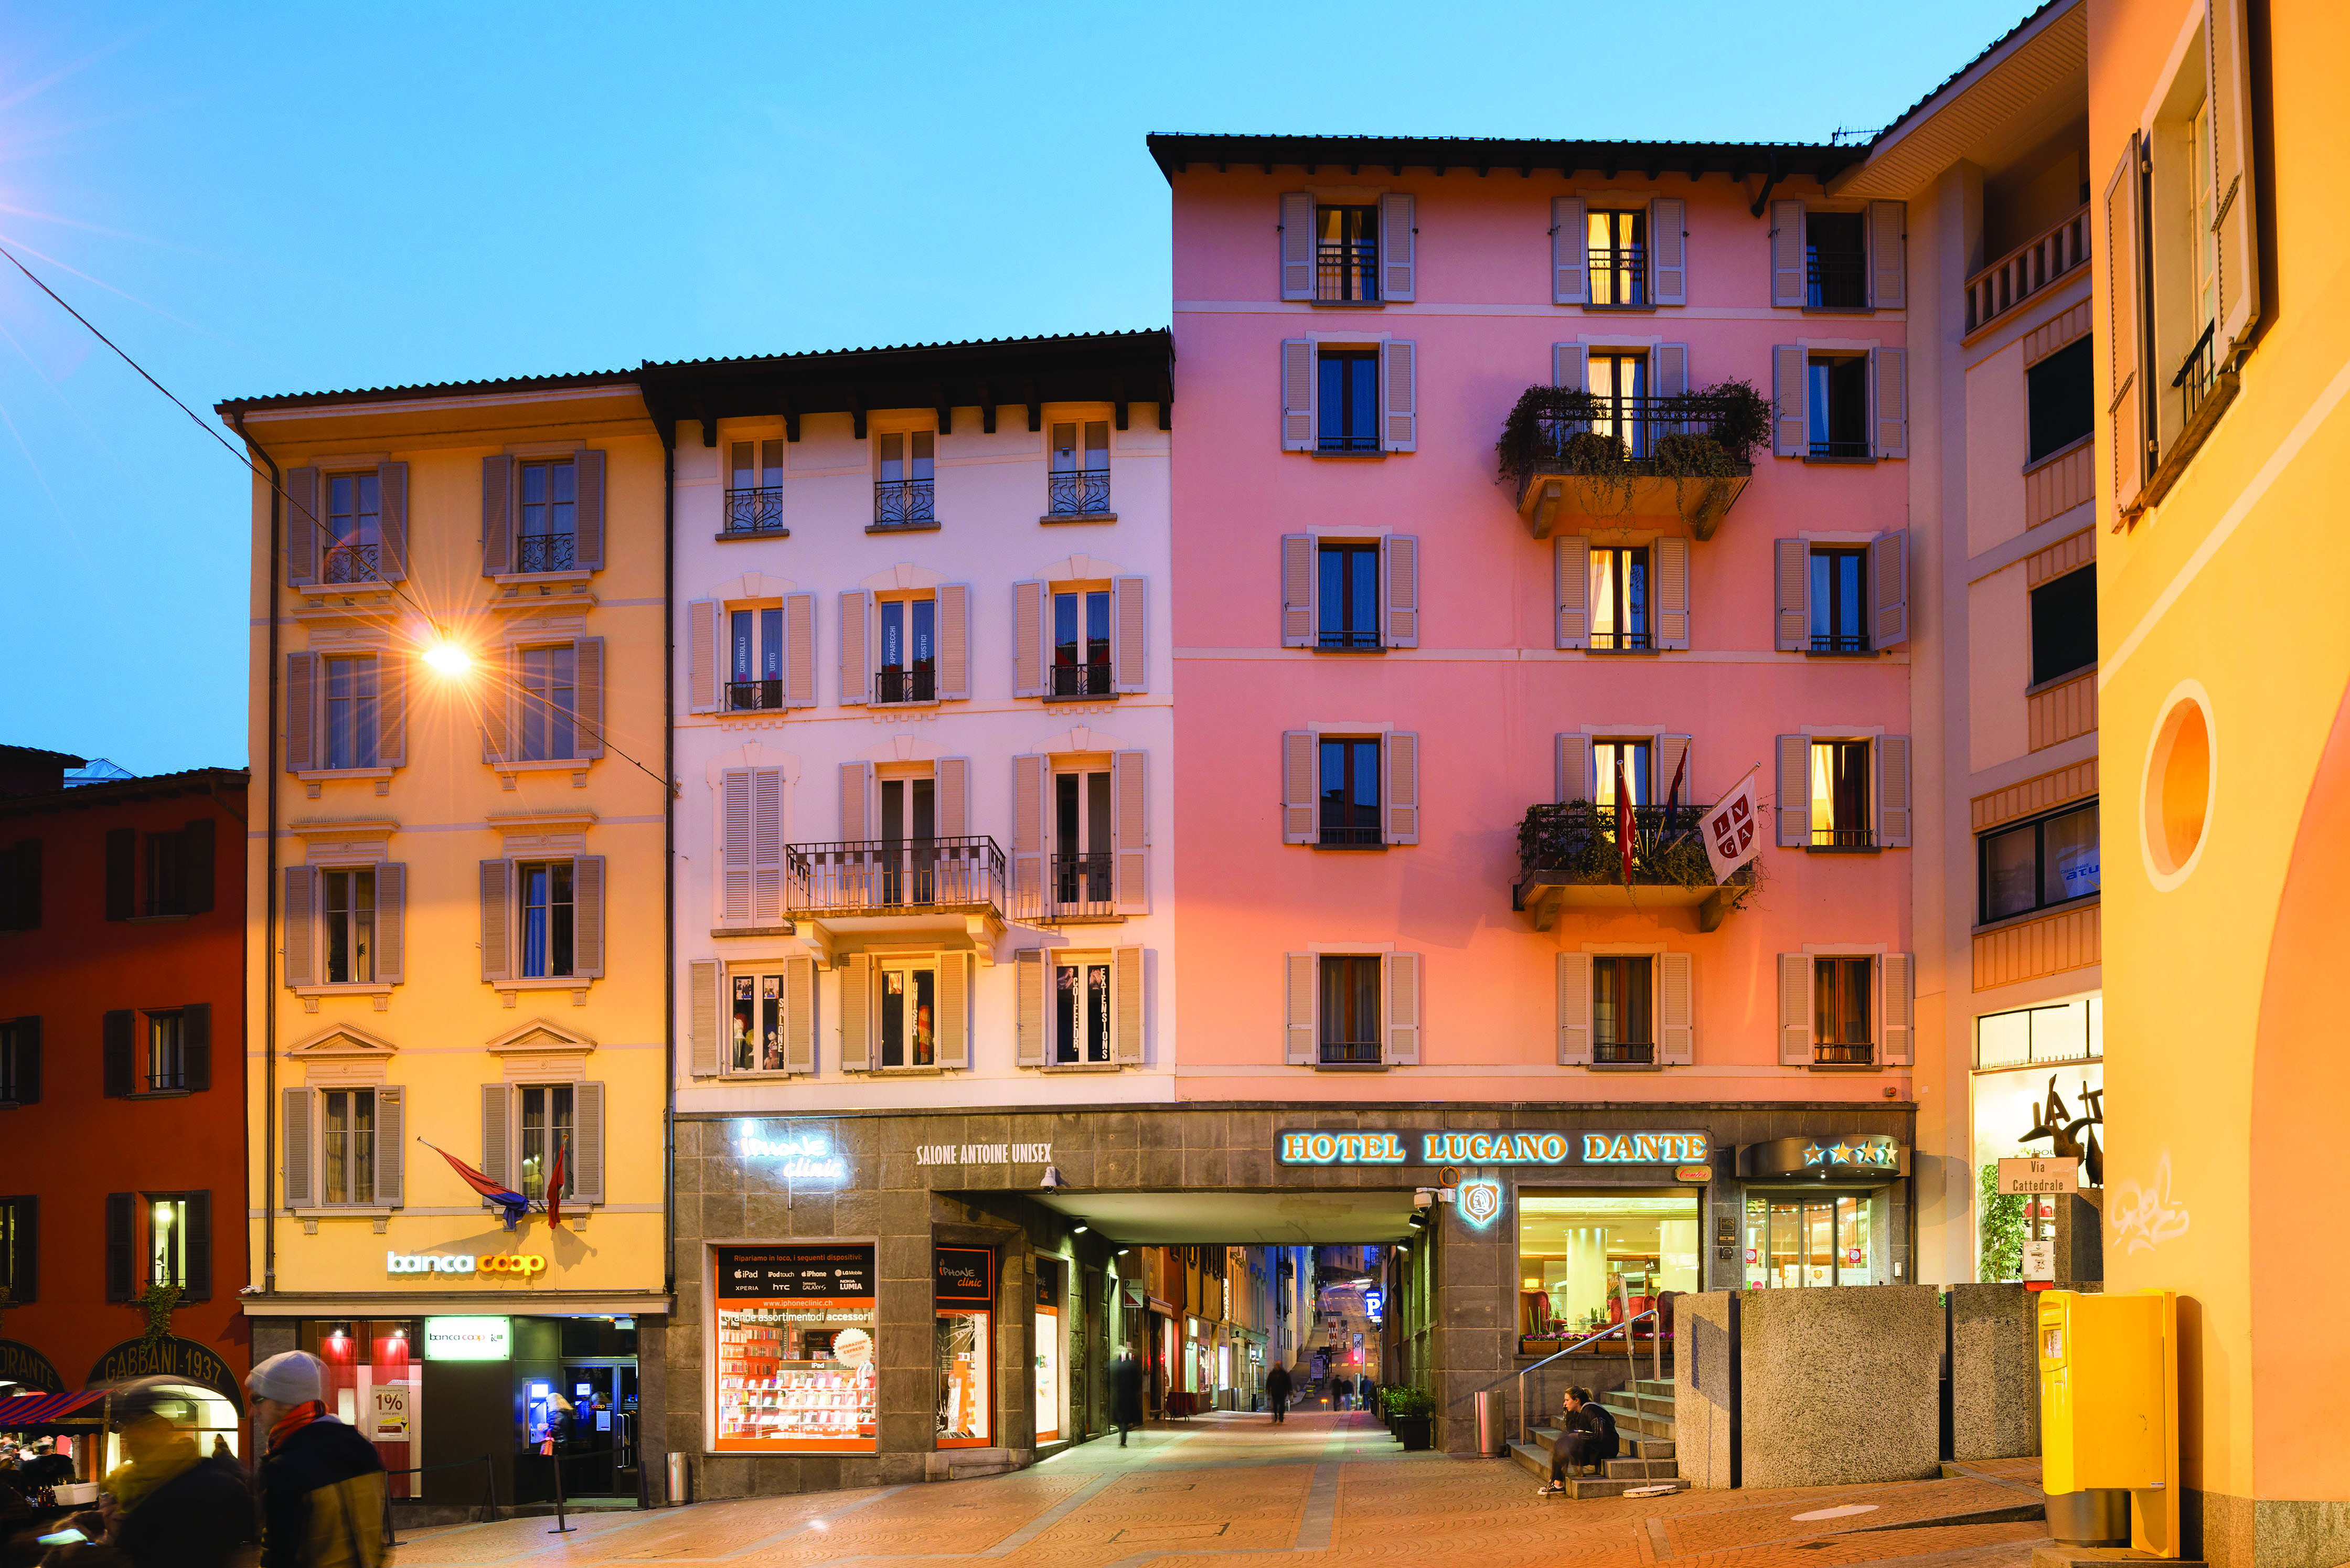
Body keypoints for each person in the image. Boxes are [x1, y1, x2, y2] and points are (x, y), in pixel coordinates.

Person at [50, 1377, 258, 1568]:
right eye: (126, 1427)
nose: (129, 1436)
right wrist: (79, 1527)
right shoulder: (137, 1482)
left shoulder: (199, 1488)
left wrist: (82, 1555)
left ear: (157, 1429)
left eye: (132, 1426)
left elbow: (166, 1558)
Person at [247, 1350, 387, 1567]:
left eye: (257, 1399)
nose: (252, 1412)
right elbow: (376, 1541)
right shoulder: (363, 1449)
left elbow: (279, 1557)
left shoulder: (285, 1467)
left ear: (284, 1401)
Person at [1537, 1386, 1620, 1498]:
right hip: (1597, 1447)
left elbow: (1599, 1435)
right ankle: (1556, 1481)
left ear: (1577, 1401)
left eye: (1567, 1400)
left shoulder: (1591, 1410)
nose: (1565, 1403)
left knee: (1564, 1443)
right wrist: (1567, 1414)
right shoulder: (1580, 1412)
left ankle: (1558, 1483)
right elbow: (1571, 1431)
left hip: (1608, 1448)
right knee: (1562, 1442)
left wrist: (1578, 1436)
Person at [1107, 1350, 1143, 1449]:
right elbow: (1137, 1382)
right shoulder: (1130, 1366)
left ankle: (1122, 1435)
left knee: (1120, 1417)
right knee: (1125, 1418)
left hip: (1118, 1396)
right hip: (1128, 1397)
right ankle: (1123, 1437)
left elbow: (1110, 1381)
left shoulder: (1114, 1365)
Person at [1264, 1361, 1292, 1426]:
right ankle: (1275, 1418)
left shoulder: (1284, 1374)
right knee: (1275, 1407)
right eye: (1276, 1365)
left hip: (1282, 1393)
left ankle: (1281, 1418)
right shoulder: (1272, 1374)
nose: (1277, 1366)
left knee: (1282, 1406)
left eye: (1278, 1365)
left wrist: (1289, 1391)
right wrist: (1268, 1390)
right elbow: (1269, 1382)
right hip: (1274, 1392)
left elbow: (1288, 1383)